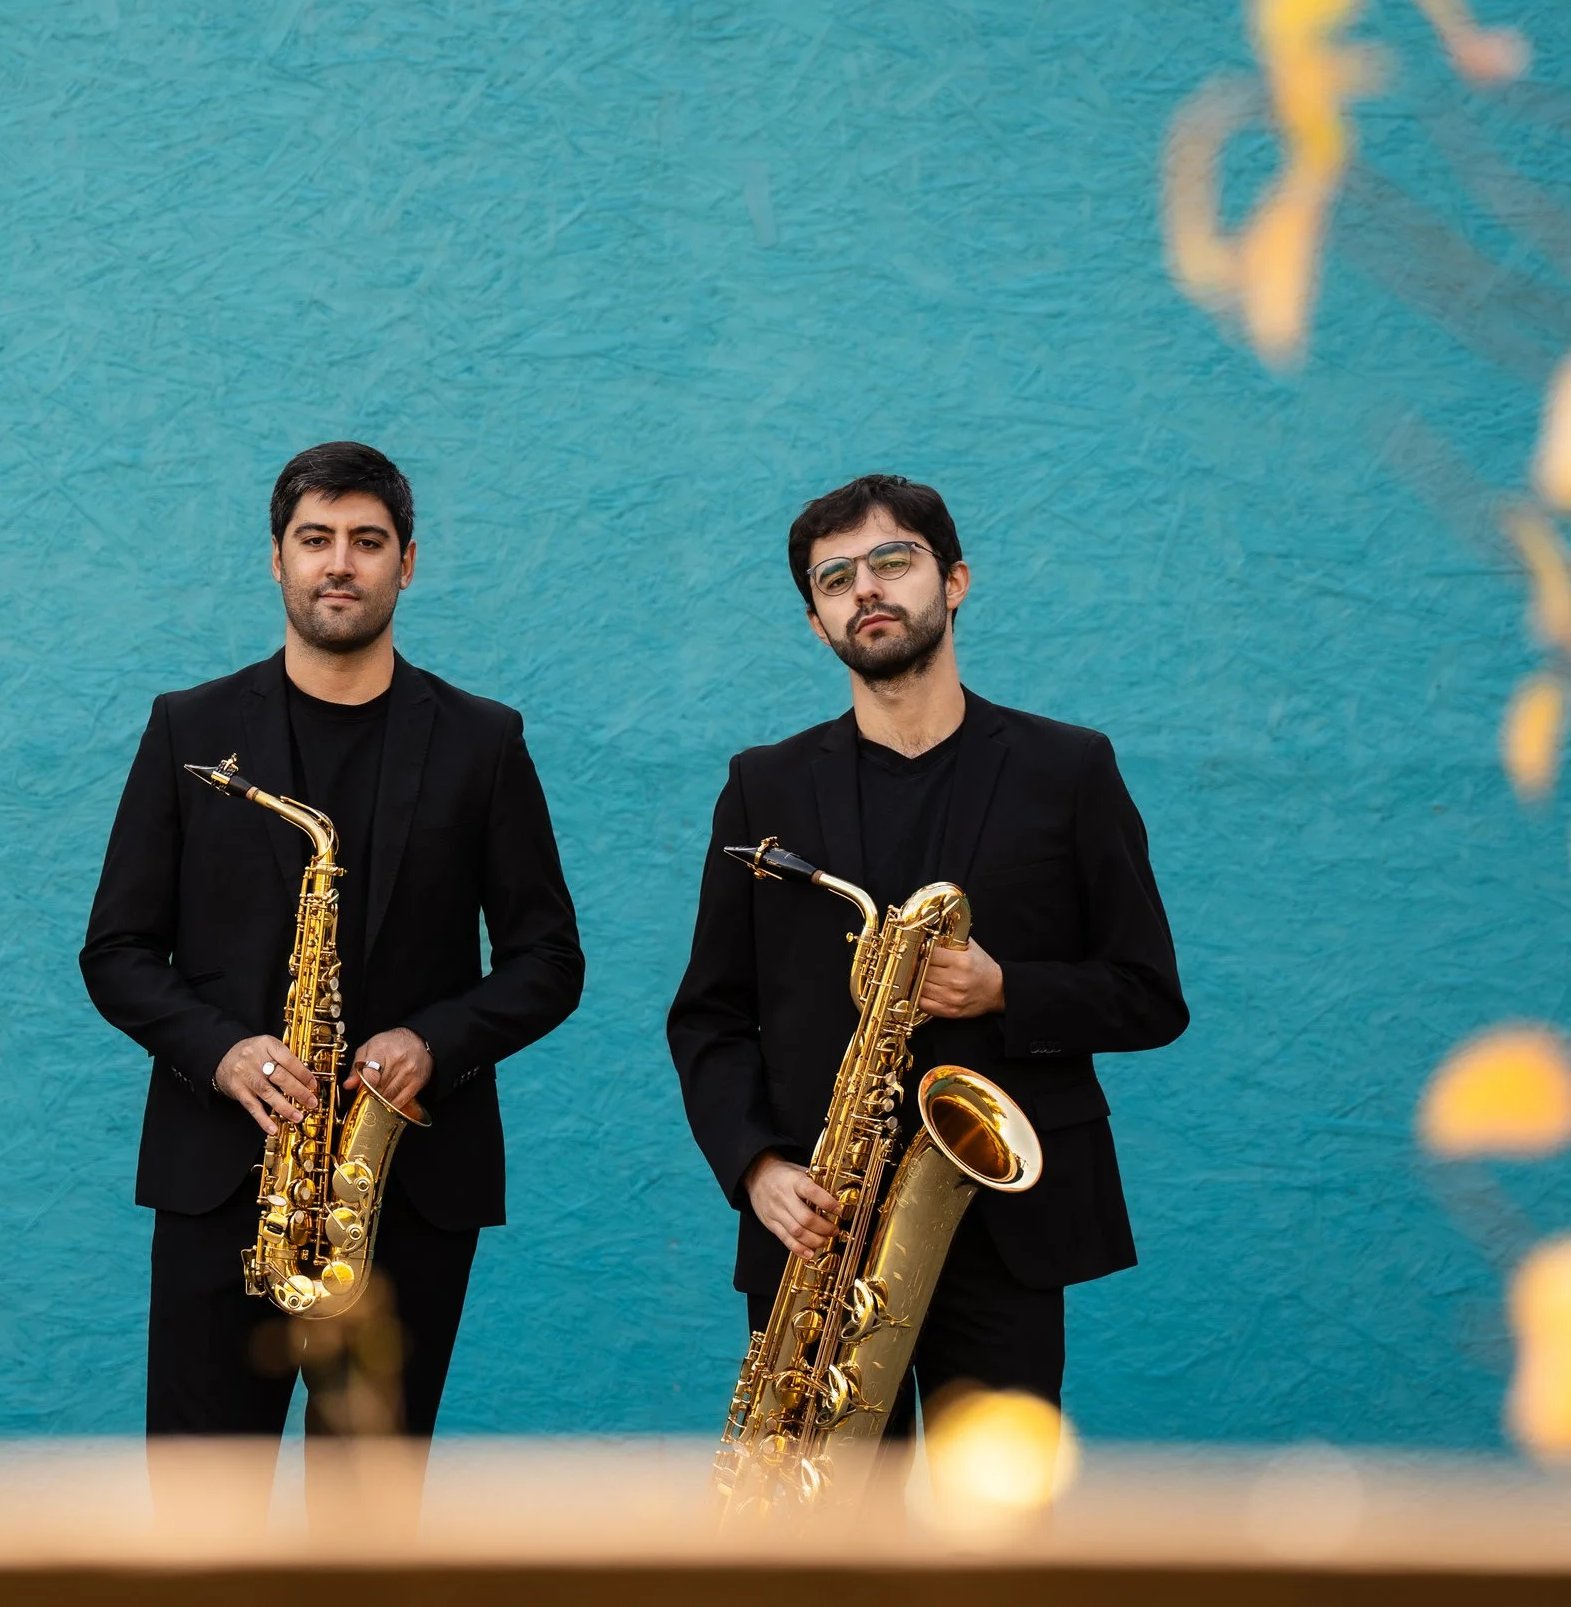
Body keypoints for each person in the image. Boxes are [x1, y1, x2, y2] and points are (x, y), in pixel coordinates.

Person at [80, 442, 583, 1500]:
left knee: (370, 1517)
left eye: (366, 540)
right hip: (226, 1177)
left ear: (409, 562)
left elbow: (548, 959)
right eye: (316, 540)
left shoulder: (484, 740)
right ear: (276, 560)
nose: (339, 563)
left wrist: (435, 1041)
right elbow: (116, 951)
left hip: (403, 1183)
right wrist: (222, 1052)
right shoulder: (190, 730)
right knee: (197, 1515)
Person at [667, 473, 1187, 1439]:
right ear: (815, 622)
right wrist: (757, 1166)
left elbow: (1150, 995)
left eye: (891, 561)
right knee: (829, 1533)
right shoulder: (762, 788)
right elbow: (708, 1014)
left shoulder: (1069, 769)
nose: (864, 588)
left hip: (1003, 1224)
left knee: (991, 1542)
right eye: (833, 578)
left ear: (954, 582)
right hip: (820, 1228)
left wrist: (1006, 989)